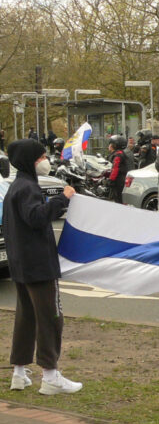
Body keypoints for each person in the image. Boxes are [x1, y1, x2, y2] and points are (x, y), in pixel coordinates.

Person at [4, 139, 82, 395]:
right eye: (41, 157)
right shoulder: (28, 188)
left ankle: (19, 372)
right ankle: (50, 375)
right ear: (30, 160)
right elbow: (37, 218)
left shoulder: (15, 187)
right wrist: (63, 198)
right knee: (50, 318)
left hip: (22, 264)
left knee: (26, 318)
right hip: (38, 265)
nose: (45, 160)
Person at [106, 135, 128, 204]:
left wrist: (111, 180)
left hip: (118, 180)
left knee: (118, 199)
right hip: (122, 178)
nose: (108, 146)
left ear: (114, 145)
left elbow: (115, 168)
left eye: (110, 144)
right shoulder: (121, 153)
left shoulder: (118, 155)